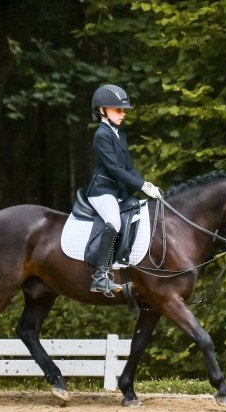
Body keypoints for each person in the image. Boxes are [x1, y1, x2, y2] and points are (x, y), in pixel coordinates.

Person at [86, 84, 162, 296]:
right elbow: (115, 169)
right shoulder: (102, 135)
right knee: (114, 222)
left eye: (123, 110)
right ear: (102, 110)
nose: (123, 113)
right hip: (102, 191)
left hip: (118, 191)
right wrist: (142, 186)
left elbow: (128, 167)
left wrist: (148, 186)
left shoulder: (120, 135)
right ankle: (100, 277)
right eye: (117, 109)